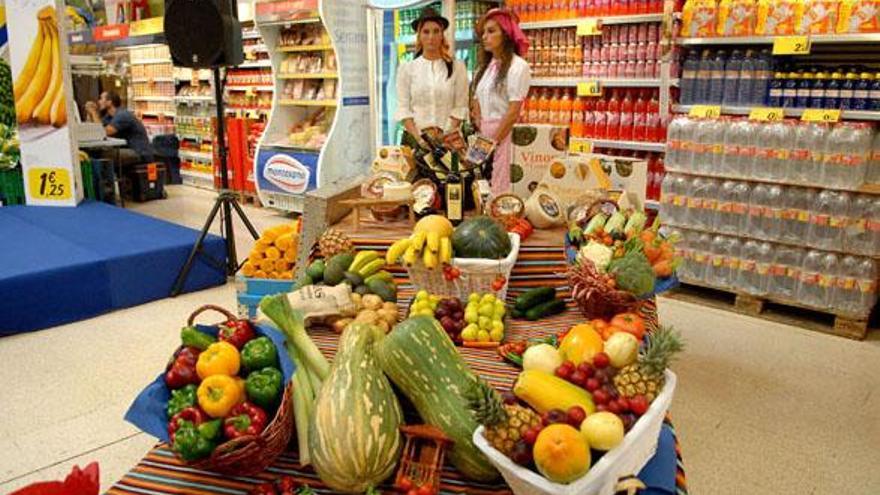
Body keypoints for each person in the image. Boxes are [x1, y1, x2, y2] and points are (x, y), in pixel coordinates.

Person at [472, 8, 531, 195]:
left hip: (506, 136)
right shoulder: (486, 67)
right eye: (483, 32)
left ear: (506, 34)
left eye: (491, 31)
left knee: (502, 189)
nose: (485, 37)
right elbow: (477, 100)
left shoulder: (518, 67)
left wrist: (492, 141)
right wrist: (480, 131)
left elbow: (513, 112)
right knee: (482, 188)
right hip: (485, 136)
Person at [395, 7, 469, 149]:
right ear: (419, 35)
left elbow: (460, 107)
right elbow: (403, 109)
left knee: (449, 172)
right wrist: (420, 139)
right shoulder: (407, 69)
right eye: (426, 32)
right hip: (415, 141)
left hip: (449, 141)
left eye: (436, 31)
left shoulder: (457, 67)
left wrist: (444, 136)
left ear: (442, 34)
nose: (431, 37)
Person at [85, 91, 154, 165]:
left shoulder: (123, 115)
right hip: (127, 148)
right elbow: (93, 130)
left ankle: (107, 176)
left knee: (103, 154)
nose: (99, 102)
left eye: (101, 99)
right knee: (94, 151)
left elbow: (103, 132)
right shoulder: (108, 117)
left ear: (109, 102)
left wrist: (93, 112)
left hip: (138, 152)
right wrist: (89, 114)